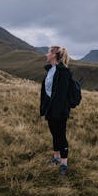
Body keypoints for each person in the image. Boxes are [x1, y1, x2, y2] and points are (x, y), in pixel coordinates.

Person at [40, 46, 72, 176]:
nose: (46, 54)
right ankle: (56, 157)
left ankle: (64, 164)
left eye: (48, 52)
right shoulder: (50, 70)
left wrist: (58, 111)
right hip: (51, 109)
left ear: (54, 55)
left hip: (60, 110)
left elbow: (62, 94)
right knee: (54, 133)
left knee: (60, 135)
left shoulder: (63, 71)